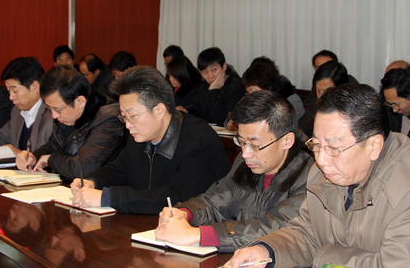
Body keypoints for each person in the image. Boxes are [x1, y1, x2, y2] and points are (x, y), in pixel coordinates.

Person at [220, 84, 410, 268]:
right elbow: (308, 231)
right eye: (317, 145)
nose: (321, 160)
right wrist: (267, 251)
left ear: (374, 146)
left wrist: (326, 257)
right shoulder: (329, 170)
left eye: (333, 148)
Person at [154, 90, 314, 251]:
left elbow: (276, 227)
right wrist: (186, 213)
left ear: (287, 141)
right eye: (241, 142)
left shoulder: (311, 175)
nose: (245, 154)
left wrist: (199, 235)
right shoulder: (249, 162)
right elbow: (217, 200)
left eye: (255, 145)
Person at [70, 66, 231, 214]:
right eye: (124, 116)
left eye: (133, 116)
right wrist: (93, 182)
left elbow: (176, 198)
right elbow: (119, 169)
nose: (127, 125)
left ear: (159, 110)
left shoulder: (200, 140)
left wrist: (108, 198)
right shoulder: (140, 135)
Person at [15, 65, 126, 182]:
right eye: (49, 108)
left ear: (80, 101)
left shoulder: (109, 119)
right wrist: (34, 157)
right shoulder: (68, 116)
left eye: (58, 109)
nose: (54, 115)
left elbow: (82, 169)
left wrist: (50, 159)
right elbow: (54, 145)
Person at [0, 57, 53, 152]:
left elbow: (50, 154)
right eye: (9, 91)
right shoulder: (16, 112)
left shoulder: (52, 115)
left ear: (35, 86)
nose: (11, 97)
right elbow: (1, 137)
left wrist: (20, 154)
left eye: (15, 91)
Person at [191, 47, 245, 128]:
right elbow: (200, 109)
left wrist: (213, 91)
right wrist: (186, 110)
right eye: (205, 72)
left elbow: (223, 120)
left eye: (214, 70)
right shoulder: (205, 84)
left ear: (224, 66)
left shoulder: (237, 85)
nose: (210, 76)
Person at [239, 57, 305, 120]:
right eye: (248, 93)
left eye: (254, 91)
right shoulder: (257, 101)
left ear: (267, 86)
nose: (251, 97)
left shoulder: (292, 101)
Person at [298, 60, 349, 138]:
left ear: (341, 89)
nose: (321, 96)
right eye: (318, 90)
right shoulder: (315, 105)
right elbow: (301, 128)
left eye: (326, 91)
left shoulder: (349, 112)